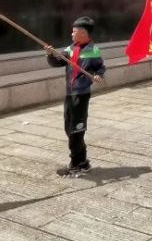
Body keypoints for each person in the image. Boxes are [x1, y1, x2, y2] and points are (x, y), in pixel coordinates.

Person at [44, 16, 106, 177]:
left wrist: (99, 75)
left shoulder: (93, 50)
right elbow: (58, 62)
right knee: (69, 127)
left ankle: (76, 164)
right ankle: (83, 161)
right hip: (70, 93)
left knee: (76, 130)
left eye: (74, 31)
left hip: (81, 94)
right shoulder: (71, 49)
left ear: (83, 33)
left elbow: (100, 67)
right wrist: (50, 55)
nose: (71, 34)